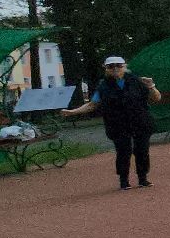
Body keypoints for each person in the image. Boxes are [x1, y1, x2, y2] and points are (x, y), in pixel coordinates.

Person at [60, 55, 160, 189]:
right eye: (111, 66)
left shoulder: (137, 81)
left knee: (142, 150)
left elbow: (156, 98)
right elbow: (92, 105)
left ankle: (143, 178)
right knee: (123, 151)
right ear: (106, 68)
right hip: (117, 124)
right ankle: (124, 181)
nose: (115, 68)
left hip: (140, 121)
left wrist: (152, 87)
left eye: (118, 65)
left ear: (124, 66)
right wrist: (73, 112)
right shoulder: (103, 86)